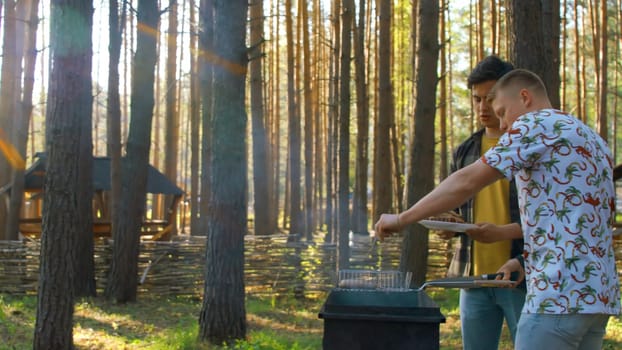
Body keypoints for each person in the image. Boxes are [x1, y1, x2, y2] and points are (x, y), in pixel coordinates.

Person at [375, 69, 620, 349]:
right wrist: (515, 249)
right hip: (597, 297)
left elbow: (466, 181)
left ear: (525, 97)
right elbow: (574, 217)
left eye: (503, 112)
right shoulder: (589, 137)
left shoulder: (535, 125)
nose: (503, 125)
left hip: (557, 296)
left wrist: (403, 218)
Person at [437, 55, 524, 350]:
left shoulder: (528, 146)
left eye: (489, 99)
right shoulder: (466, 151)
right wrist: (448, 223)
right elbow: (456, 207)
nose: (482, 108)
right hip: (473, 278)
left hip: (519, 275)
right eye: (476, 100)